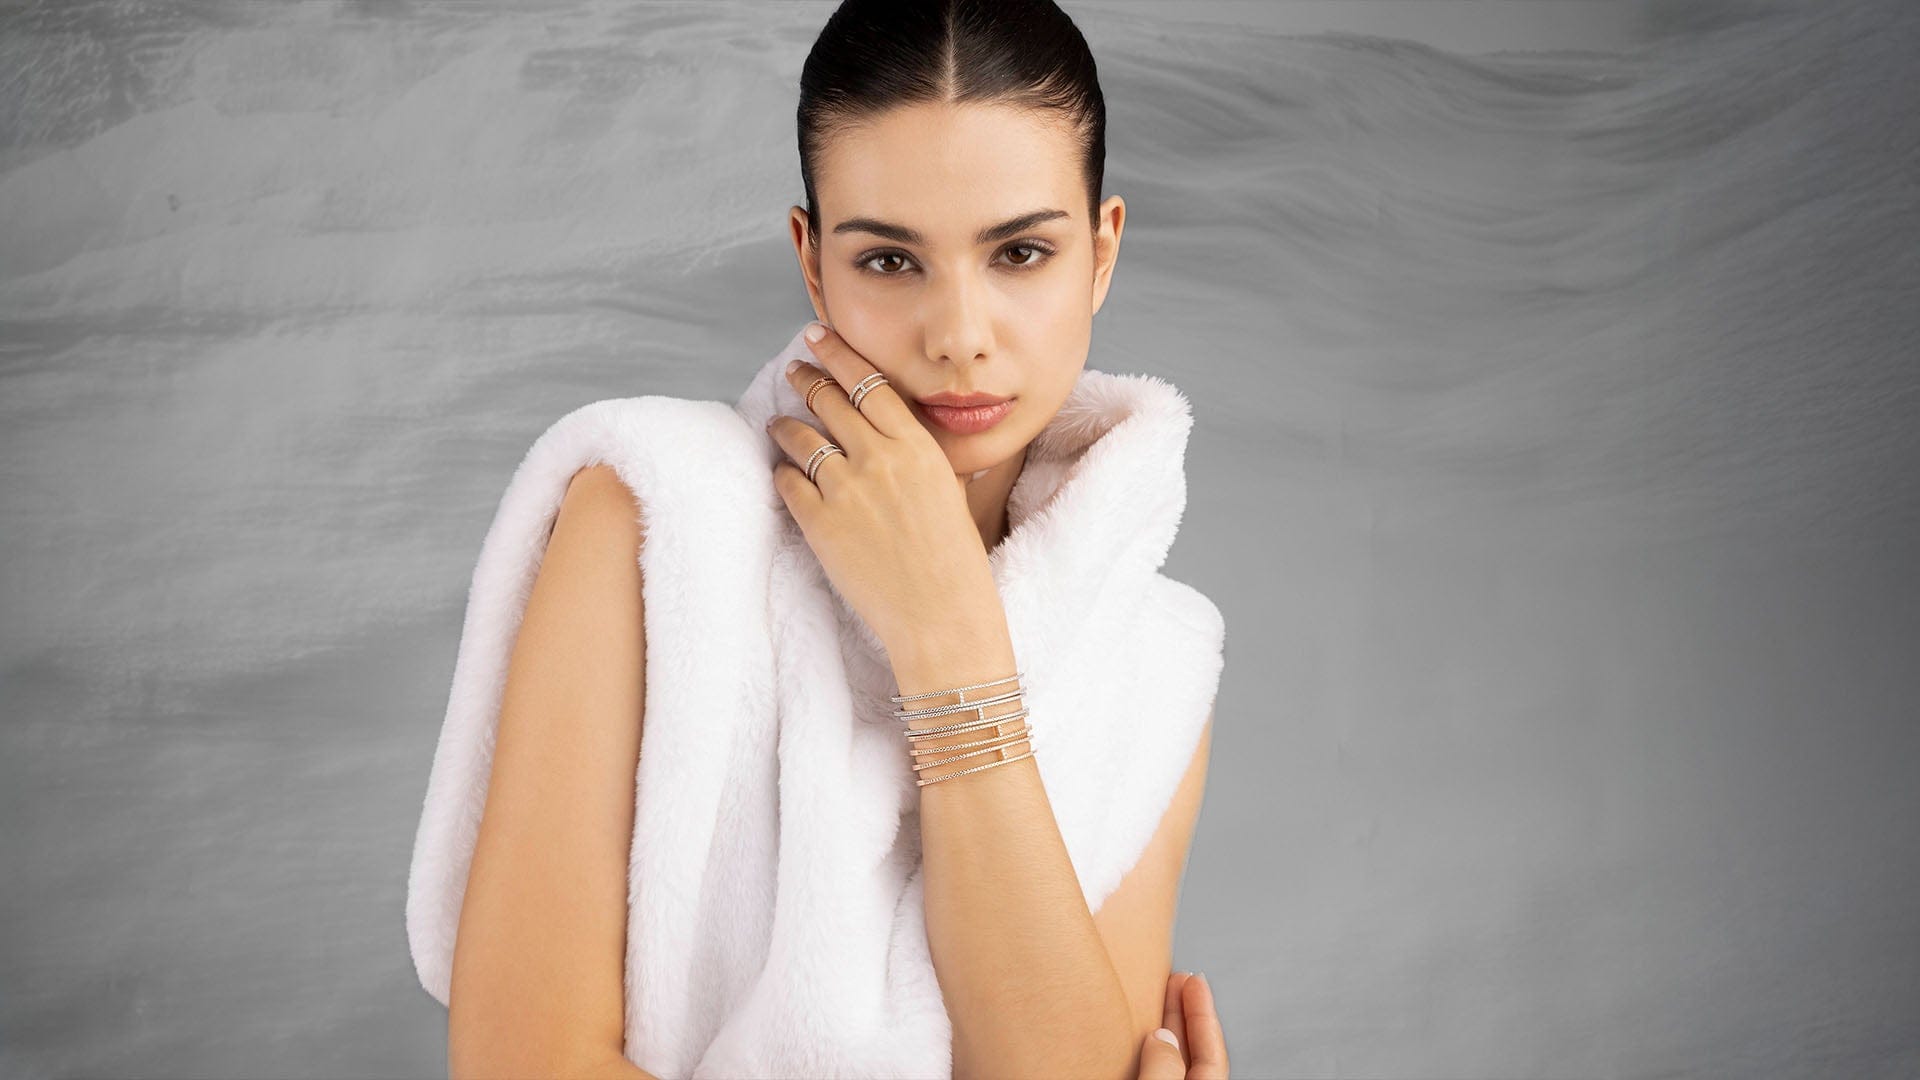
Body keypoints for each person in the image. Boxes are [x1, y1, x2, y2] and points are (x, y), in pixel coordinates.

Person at [420, 1, 1231, 1076]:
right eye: (891, 262)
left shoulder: (1157, 658)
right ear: (813, 262)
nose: (959, 336)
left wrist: (948, 639)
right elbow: (521, 1062)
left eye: (1021, 252)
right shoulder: (654, 518)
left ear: (1102, 253)